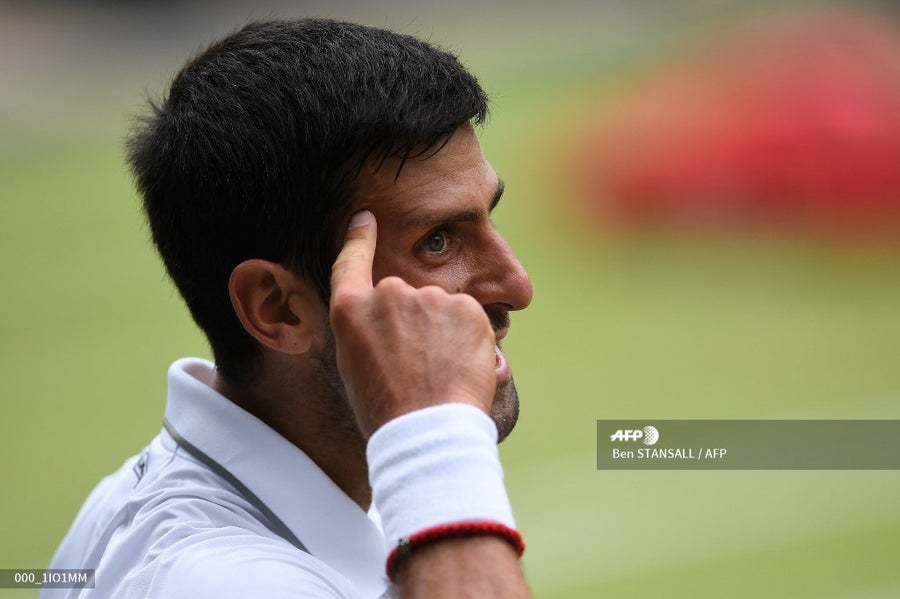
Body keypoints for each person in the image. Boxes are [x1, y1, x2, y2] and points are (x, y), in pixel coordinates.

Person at [44, 17, 533, 598]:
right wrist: (434, 442)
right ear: (278, 308)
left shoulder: (331, 484)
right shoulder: (216, 582)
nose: (517, 286)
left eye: (488, 216)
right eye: (438, 241)